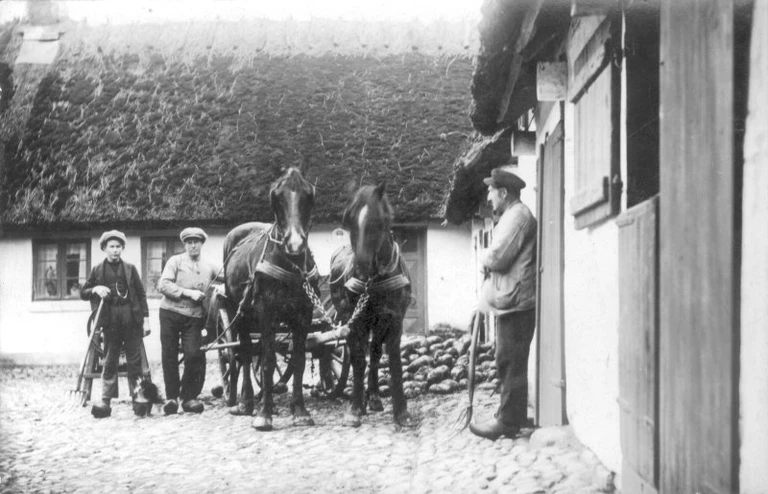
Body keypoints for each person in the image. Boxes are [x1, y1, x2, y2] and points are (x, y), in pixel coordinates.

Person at [470, 167, 537, 440]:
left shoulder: (518, 216)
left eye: (491, 190)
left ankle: (508, 422)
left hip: (517, 302)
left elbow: (498, 257)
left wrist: (485, 256)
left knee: (510, 361)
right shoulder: (510, 216)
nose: (488, 196)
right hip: (509, 300)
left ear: (504, 193)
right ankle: (510, 415)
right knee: (507, 359)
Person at [81, 230, 151, 419]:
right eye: (111, 247)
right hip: (110, 319)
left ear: (122, 248)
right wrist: (95, 288)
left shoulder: (130, 268)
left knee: (134, 360)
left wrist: (146, 318)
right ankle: (105, 401)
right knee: (110, 359)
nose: (115, 250)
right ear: (104, 248)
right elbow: (83, 292)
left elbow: (141, 294)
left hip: (130, 317)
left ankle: (139, 398)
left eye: (118, 246)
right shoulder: (97, 270)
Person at [158, 227, 221, 415]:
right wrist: (188, 292)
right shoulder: (175, 261)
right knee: (169, 355)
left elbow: (227, 277)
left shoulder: (209, 265)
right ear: (184, 244)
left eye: (196, 242)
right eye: (189, 242)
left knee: (193, 354)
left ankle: (188, 397)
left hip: (194, 317)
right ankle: (171, 398)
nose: (193, 245)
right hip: (170, 313)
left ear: (202, 243)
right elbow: (163, 285)